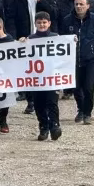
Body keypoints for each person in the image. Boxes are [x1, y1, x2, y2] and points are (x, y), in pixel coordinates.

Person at [3, 0, 56, 113]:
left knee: (42, 70)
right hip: (25, 38)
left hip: (43, 39)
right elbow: (11, 20)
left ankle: (44, 98)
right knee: (27, 71)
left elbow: (54, 13)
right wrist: (14, 38)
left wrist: (41, 1)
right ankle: (30, 100)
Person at [61, 0, 94, 125]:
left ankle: (87, 113)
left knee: (88, 88)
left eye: (81, 4)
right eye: (76, 4)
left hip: (90, 59)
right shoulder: (67, 20)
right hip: (73, 59)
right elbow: (62, 39)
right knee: (76, 87)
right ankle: (80, 108)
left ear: (87, 6)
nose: (79, 7)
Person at [25, 12, 62, 141]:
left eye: (44, 22)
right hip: (36, 79)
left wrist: (72, 41)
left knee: (52, 103)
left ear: (49, 23)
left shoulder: (56, 37)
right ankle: (43, 127)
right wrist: (22, 42)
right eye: (39, 22)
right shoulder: (30, 39)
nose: (42, 25)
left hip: (52, 77)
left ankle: (55, 126)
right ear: (35, 24)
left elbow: (65, 51)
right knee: (39, 104)